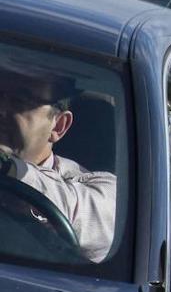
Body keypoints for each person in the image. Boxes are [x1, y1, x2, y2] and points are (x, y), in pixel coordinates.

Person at [0, 70, 115, 263]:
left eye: (19, 101)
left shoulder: (100, 190)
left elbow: (79, 212)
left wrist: (6, 168)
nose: (1, 110)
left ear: (58, 126)